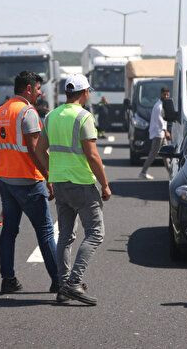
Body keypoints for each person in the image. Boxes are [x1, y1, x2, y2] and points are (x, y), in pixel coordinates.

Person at [37, 73, 110, 306]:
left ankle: (63, 286)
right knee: (96, 233)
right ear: (84, 93)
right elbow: (92, 155)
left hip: (60, 184)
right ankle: (74, 283)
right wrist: (105, 184)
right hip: (81, 184)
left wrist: (52, 172)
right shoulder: (84, 116)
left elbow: (40, 150)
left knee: (66, 236)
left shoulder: (51, 115)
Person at [0, 71, 58, 294]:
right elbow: (36, 150)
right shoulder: (27, 112)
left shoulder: (1, 111)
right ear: (28, 89)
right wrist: (50, 177)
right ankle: (59, 281)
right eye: (38, 88)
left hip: (4, 179)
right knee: (46, 231)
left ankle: (7, 279)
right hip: (28, 181)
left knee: (9, 230)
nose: (40, 93)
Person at [139, 87, 171, 180]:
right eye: (164, 94)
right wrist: (166, 131)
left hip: (161, 133)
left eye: (167, 94)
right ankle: (143, 172)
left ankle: (171, 173)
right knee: (153, 154)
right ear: (161, 94)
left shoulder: (162, 104)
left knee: (166, 154)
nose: (166, 96)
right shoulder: (159, 106)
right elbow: (160, 121)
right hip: (158, 134)